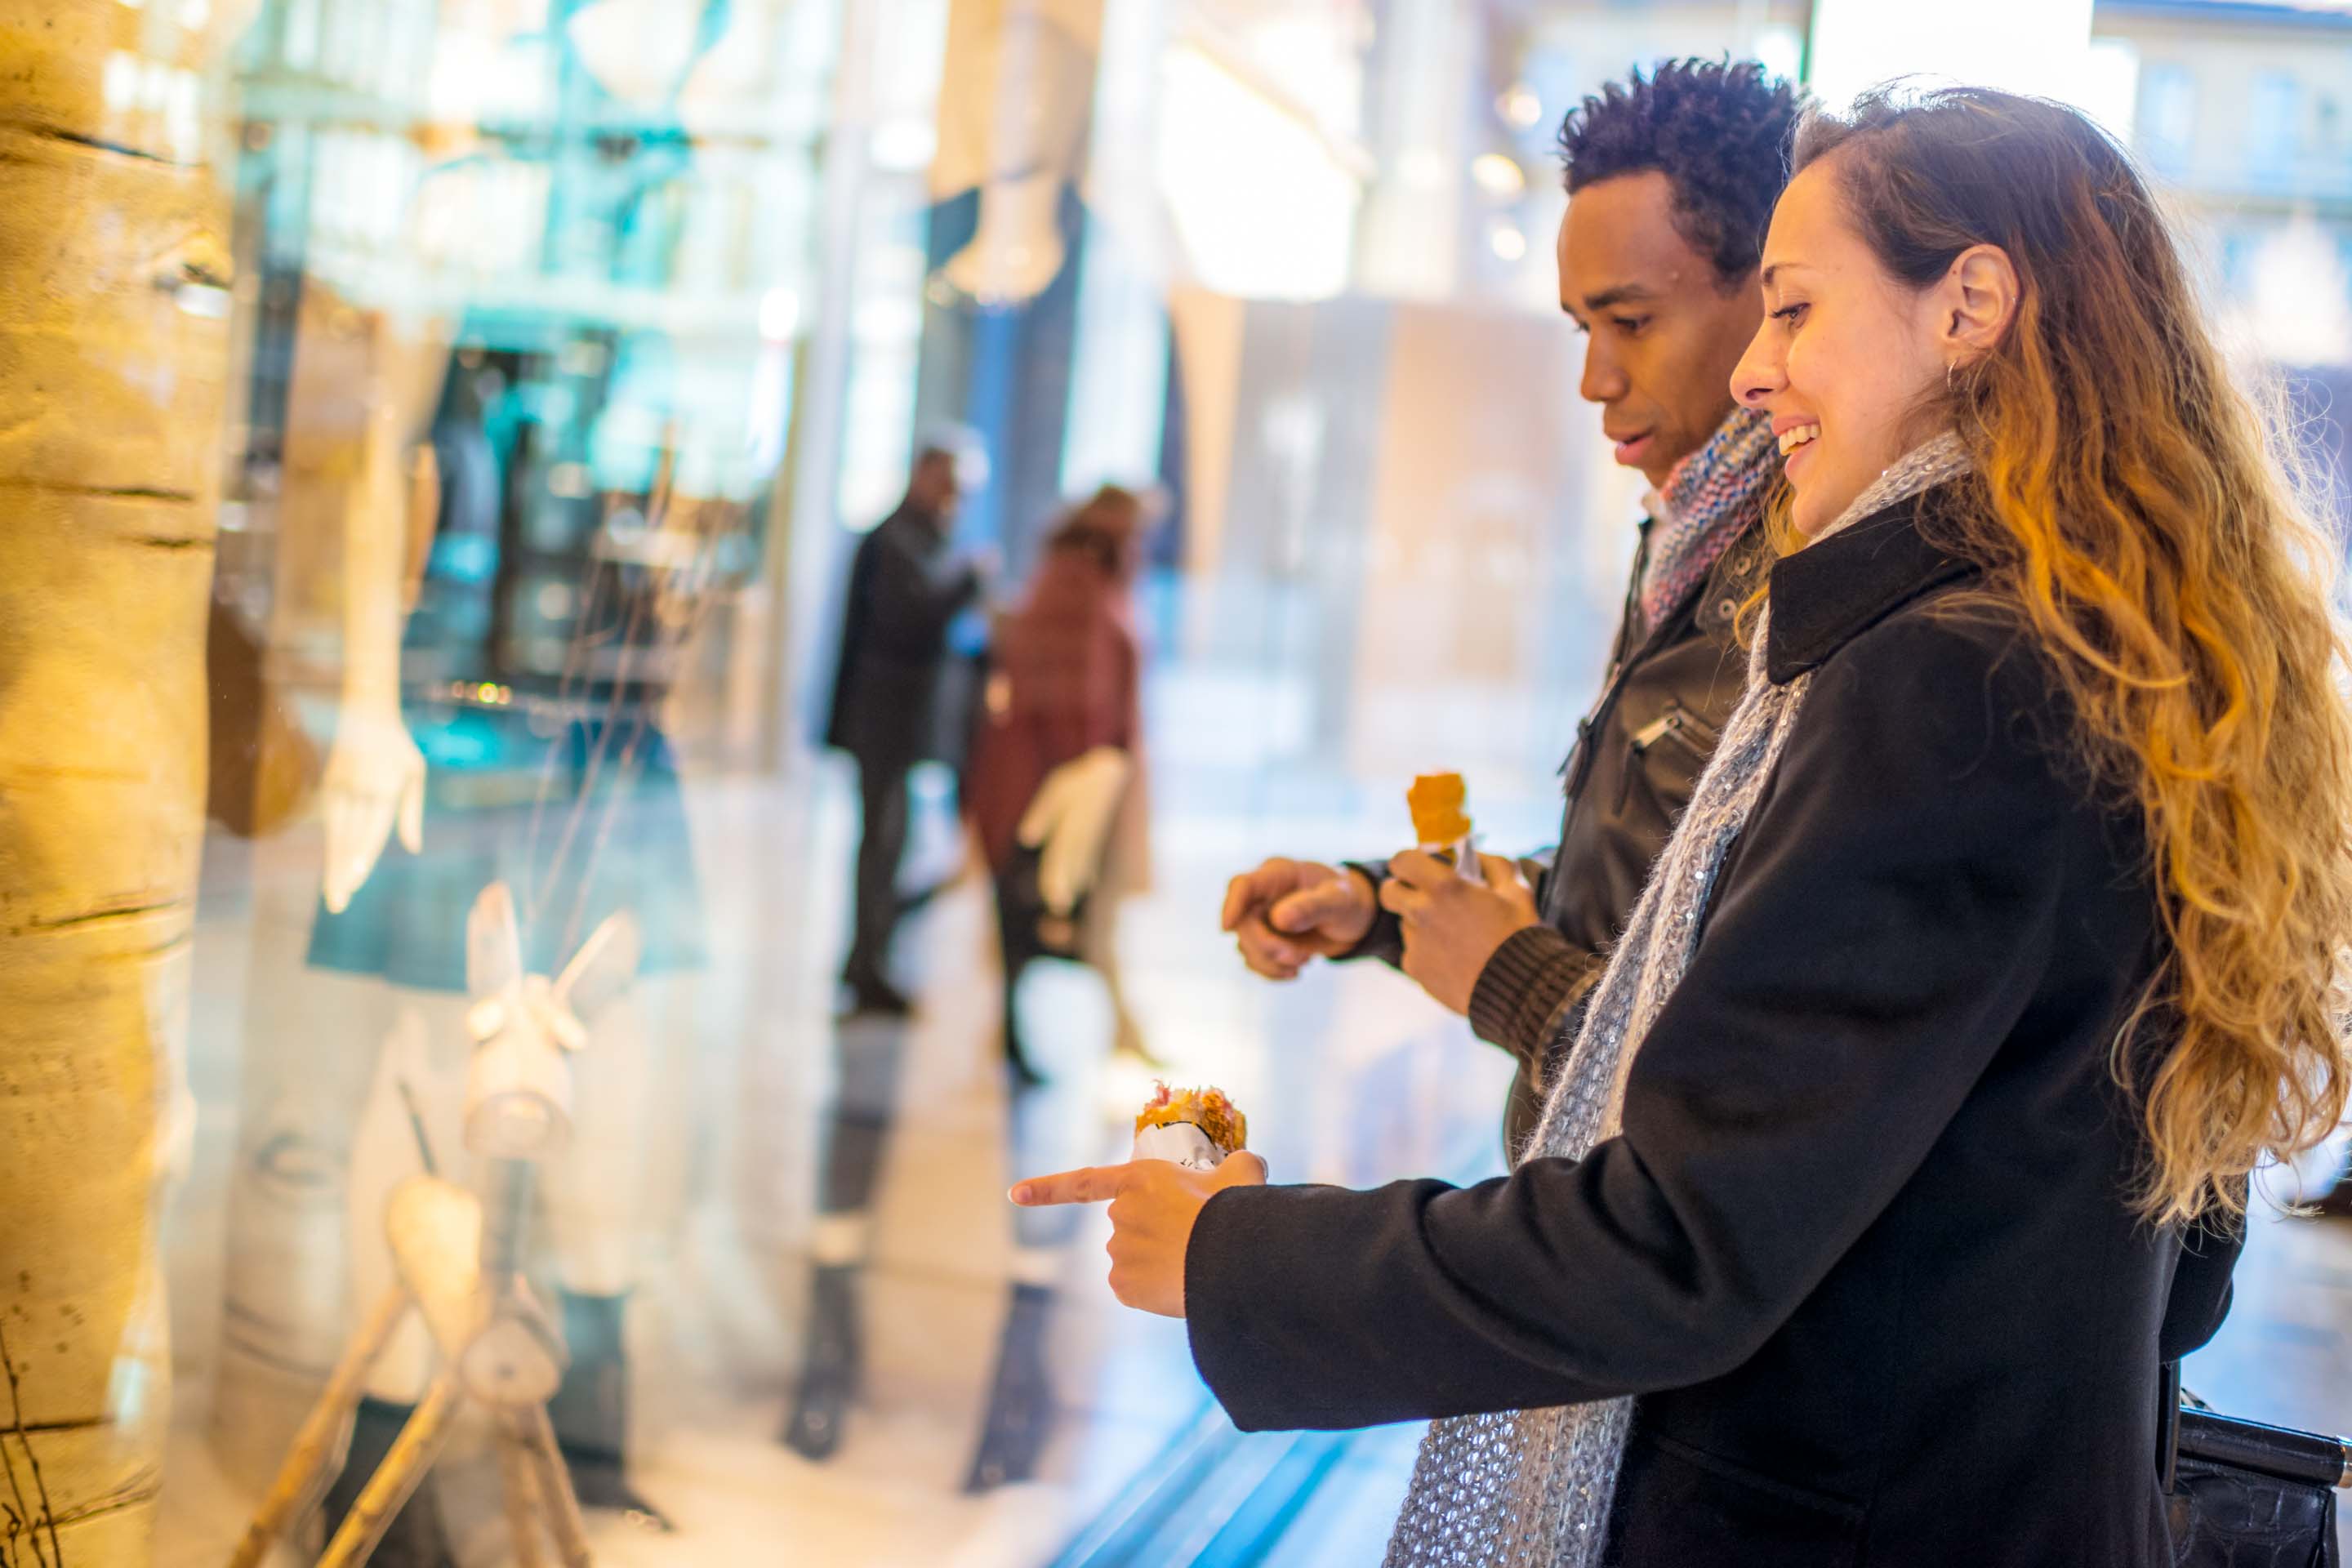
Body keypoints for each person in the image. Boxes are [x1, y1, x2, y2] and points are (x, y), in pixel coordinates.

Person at [1018, 86, 2352, 1566]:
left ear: (1971, 301)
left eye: (1789, 310)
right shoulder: (2102, 646)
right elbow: (2182, 1268)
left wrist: (1235, 1258)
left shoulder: (1945, 676)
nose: (1759, 373)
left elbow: (1679, 1240)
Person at [1218, 60, 1801, 1150]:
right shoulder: (1695, 534)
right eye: (1582, 325)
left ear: (1776, 298)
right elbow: (1635, 899)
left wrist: (1505, 978)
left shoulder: (1816, 580)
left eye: (1630, 321)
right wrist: (1381, 907)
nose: (1593, 378)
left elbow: (1751, 1090)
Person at [964, 484, 1156, 1083]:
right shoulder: (1074, 587)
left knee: (1065, 917)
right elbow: (1068, 704)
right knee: (1042, 913)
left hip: (1073, 784)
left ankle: (1115, 1032)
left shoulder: (1087, 583)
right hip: (1055, 790)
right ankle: (1101, 1034)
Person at [826, 434, 992, 1015]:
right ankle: (866, 964)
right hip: (882, 718)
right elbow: (909, 619)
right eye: (950, 485)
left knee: (896, 847)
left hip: (902, 720)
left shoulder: (921, 537)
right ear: (925, 475)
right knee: (883, 844)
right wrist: (968, 582)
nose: (956, 499)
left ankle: (869, 957)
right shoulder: (894, 539)